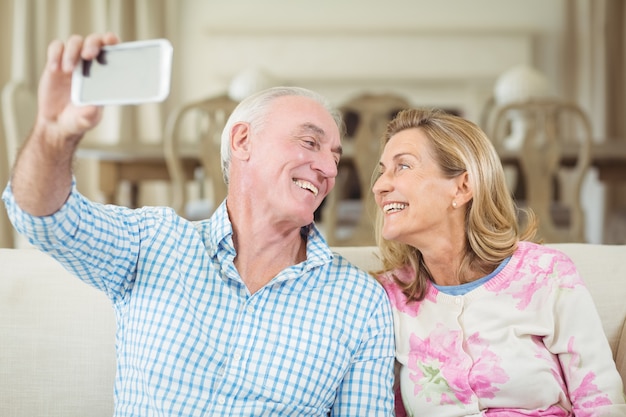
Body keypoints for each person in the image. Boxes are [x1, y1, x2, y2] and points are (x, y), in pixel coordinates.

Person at [2, 32, 395, 416]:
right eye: (310, 143)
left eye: (335, 156)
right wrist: (53, 136)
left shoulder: (359, 301)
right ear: (243, 141)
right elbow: (44, 220)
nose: (328, 168)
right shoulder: (154, 241)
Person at [371, 108, 626, 416]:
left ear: (463, 187)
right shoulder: (387, 297)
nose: (379, 186)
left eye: (403, 166)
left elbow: (600, 400)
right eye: (383, 170)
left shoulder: (545, 275)